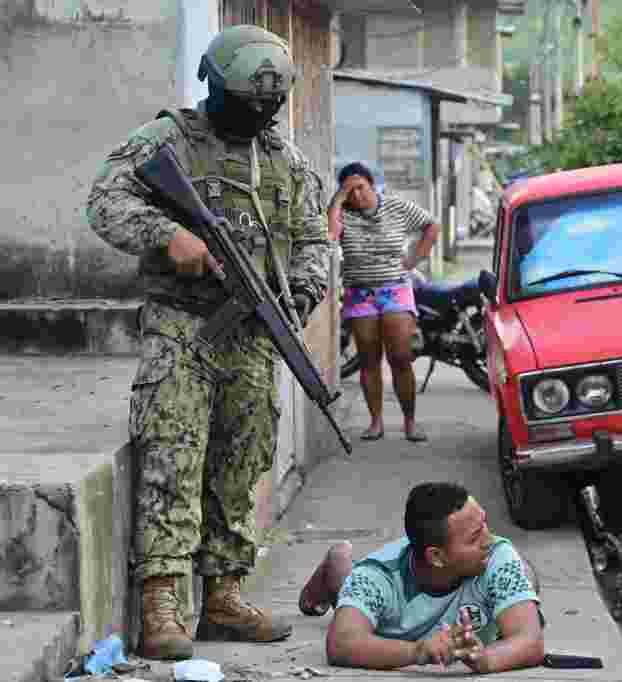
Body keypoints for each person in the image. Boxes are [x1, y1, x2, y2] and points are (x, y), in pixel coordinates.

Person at [86, 25, 331, 660]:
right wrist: (169, 237)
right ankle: (161, 603)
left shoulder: (286, 161)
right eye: (249, 101)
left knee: (241, 462)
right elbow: (105, 200)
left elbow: (313, 241)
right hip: (181, 328)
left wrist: (300, 295)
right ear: (217, 87)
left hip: (251, 338)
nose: (260, 114)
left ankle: (223, 595)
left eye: (269, 105)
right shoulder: (169, 139)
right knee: (173, 457)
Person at [297, 482, 545, 673]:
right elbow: (342, 644)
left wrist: (485, 659)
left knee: (523, 571)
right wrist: (418, 651)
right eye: (474, 538)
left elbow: (530, 641)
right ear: (437, 557)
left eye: (485, 525)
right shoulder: (376, 576)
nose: (489, 541)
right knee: (345, 583)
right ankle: (336, 558)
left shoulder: (497, 556)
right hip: (372, 587)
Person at [327, 162, 442, 442]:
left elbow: (432, 225)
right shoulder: (342, 212)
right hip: (360, 294)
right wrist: (337, 200)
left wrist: (415, 259)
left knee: (400, 357)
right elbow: (329, 235)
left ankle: (410, 422)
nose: (356, 195)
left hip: (395, 291)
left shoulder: (397, 208)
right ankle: (375, 422)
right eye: (348, 191)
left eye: (360, 188)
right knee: (368, 360)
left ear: (371, 184)